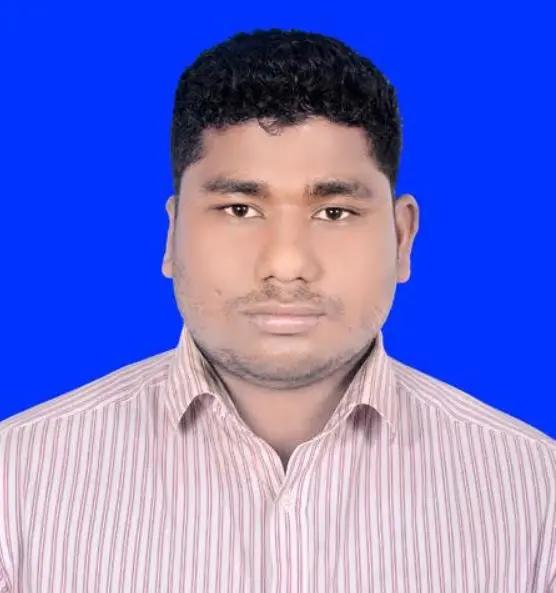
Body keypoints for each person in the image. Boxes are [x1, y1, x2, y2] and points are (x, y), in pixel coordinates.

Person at [0, 28, 554, 593]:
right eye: (240, 209)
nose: (287, 265)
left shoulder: (538, 494)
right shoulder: (15, 482)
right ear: (171, 234)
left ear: (402, 237)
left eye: (334, 212)